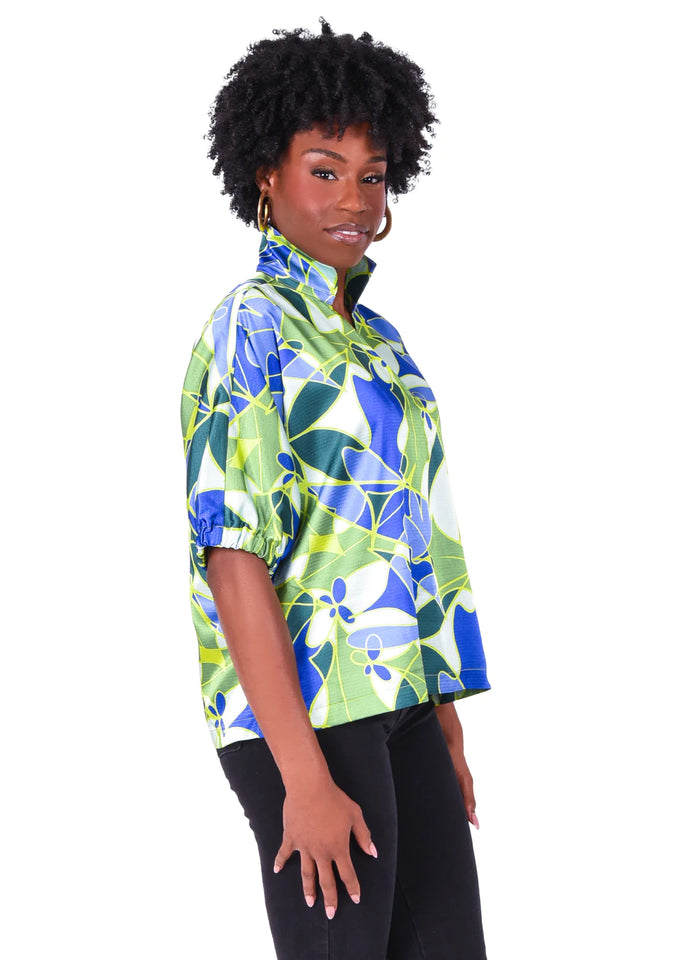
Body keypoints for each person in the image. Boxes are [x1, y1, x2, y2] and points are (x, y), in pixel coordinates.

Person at [181, 20, 491, 960]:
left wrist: (442, 719)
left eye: (373, 175)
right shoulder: (249, 328)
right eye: (325, 170)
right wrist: (303, 778)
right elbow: (233, 555)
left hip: (402, 700)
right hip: (310, 714)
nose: (355, 200)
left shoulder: (379, 340)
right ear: (266, 176)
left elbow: (408, 534)